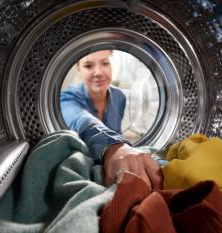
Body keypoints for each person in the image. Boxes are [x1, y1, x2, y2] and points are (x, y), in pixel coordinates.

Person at [60, 50, 162, 189]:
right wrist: (114, 147)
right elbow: (82, 120)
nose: (98, 72)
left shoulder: (119, 96)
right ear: (79, 69)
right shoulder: (67, 98)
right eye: (89, 66)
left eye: (105, 63)